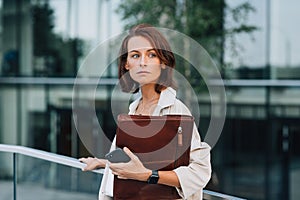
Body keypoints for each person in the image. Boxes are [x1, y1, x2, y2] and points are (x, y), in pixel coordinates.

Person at [79, 24, 211, 200]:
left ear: (163, 62)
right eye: (135, 55)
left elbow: (200, 171)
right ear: (127, 64)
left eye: (151, 55)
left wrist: (148, 175)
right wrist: (103, 163)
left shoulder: (176, 110)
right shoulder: (134, 109)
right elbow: (141, 160)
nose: (143, 62)